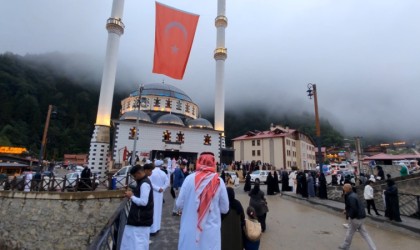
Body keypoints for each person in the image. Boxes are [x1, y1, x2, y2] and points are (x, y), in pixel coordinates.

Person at [176, 152, 229, 250]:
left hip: (190, 231)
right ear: (214, 163)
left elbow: (179, 204)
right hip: (210, 233)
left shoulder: (188, 179)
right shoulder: (219, 182)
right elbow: (225, 209)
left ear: (198, 162)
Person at [120, 164, 154, 250]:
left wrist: (131, 196)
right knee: (136, 243)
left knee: (138, 244)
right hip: (140, 218)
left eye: (135, 176)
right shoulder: (143, 182)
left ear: (139, 173)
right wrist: (132, 192)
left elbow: (143, 202)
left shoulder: (144, 184)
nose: (134, 178)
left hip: (140, 220)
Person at [339, 184, 377, 250]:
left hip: (356, 218)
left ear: (347, 189)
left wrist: (349, 214)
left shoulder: (350, 197)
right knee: (365, 234)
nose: (343, 189)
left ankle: (345, 246)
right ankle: (373, 248)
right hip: (361, 217)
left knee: (350, 232)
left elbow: (353, 208)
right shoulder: (354, 195)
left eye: (344, 188)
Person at [149, 160, 170, 236]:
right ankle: (157, 227)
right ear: (161, 165)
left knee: (152, 211)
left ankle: (152, 229)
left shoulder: (151, 172)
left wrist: (157, 188)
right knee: (158, 211)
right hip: (160, 194)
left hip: (153, 193)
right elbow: (167, 182)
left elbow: (150, 183)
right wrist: (162, 188)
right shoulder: (163, 173)